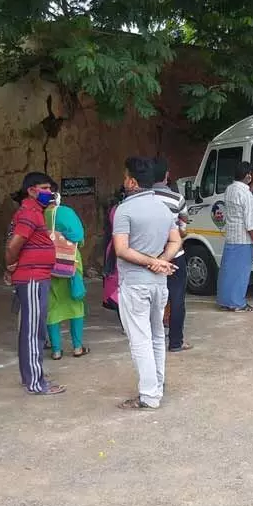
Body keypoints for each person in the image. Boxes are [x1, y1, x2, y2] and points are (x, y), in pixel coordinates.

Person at [112, 157, 181, 410]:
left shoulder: (124, 210)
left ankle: (149, 396)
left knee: (140, 339)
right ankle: (157, 386)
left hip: (135, 284)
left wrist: (151, 262)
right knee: (156, 336)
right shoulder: (163, 207)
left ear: (131, 181)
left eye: (124, 177)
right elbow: (176, 242)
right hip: (158, 284)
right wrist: (161, 261)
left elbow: (121, 249)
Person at [5, 172, 65, 395]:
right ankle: (36, 383)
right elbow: (13, 245)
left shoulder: (35, 211)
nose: (50, 193)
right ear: (31, 190)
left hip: (36, 276)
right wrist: (11, 265)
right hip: (31, 277)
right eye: (45, 188)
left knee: (33, 328)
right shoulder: (30, 212)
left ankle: (31, 375)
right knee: (33, 330)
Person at [44, 182, 89, 360]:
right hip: (69, 263)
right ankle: (77, 347)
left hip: (47, 265)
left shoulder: (39, 214)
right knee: (75, 303)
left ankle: (56, 350)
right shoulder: (65, 212)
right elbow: (78, 236)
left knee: (52, 305)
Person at [151, 157, 191, 352]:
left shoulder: (141, 198)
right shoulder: (177, 199)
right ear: (167, 175)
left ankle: (151, 341)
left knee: (151, 298)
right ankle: (176, 342)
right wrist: (176, 232)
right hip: (175, 254)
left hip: (148, 256)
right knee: (176, 298)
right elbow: (184, 226)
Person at [217, 161, 253, 312]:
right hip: (244, 241)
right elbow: (250, 224)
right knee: (241, 274)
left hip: (232, 237)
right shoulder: (246, 195)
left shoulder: (230, 189)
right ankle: (238, 303)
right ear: (247, 176)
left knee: (229, 272)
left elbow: (245, 196)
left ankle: (225, 301)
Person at [101, 188, 124, 332]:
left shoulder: (114, 209)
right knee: (121, 285)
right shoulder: (122, 210)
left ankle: (125, 322)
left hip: (114, 247)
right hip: (121, 247)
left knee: (116, 283)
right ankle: (126, 323)